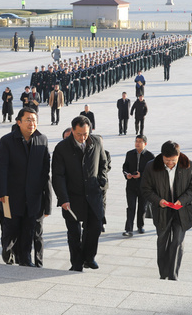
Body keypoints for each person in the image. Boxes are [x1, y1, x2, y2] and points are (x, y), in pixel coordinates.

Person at [0, 108, 51, 266]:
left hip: (33, 197)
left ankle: (25, 260)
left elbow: (45, 171)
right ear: (18, 122)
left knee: (28, 230)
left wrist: (45, 198)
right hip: (11, 196)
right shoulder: (7, 141)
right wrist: (1, 193)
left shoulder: (42, 140)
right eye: (28, 120)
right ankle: (7, 248)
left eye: (34, 120)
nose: (32, 123)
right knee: (11, 228)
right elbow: (0, 169)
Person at [52, 115, 109, 271]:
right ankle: (76, 263)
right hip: (72, 197)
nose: (83, 138)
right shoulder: (62, 148)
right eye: (79, 134)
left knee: (95, 227)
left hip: (93, 194)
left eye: (86, 134)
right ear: (72, 131)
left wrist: (102, 183)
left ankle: (89, 257)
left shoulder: (96, 142)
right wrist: (63, 198)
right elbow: (58, 176)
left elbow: (103, 164)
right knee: (74, 233)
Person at [141, 141, 192, 281]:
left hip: (182, 210)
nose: (170, 164)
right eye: (166, 161)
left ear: (178, 156)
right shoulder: (152, 166)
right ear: (162, 156)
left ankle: (173, 276)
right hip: (162, 210)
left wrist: (182, 200)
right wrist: (158, 200)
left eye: (173, 160)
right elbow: (145, 189)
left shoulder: (189, 166)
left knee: (177, 242)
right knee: (162, 242)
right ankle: (163, 273)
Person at [122, 135, 155, 237]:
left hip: (144, 186)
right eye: (136, 141)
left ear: (145, 143)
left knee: (142, 207)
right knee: (131, 207)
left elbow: (153, 172)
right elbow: (125, 167)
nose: (137, 143)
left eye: (140, 141)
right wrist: (126, 174)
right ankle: (128, 229)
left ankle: (140, 226)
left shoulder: (150, 156)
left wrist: (142, 174)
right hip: (131, 185)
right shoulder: (129, 154)